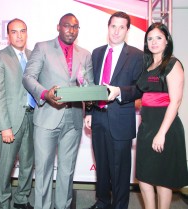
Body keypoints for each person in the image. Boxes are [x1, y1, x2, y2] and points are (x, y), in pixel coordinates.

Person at [22, 13, 94, 209]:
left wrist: (90, 95)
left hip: (74, 119)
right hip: (47, 117)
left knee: (67, 170)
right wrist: (45, 93)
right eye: (67, 26)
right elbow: (28, 77)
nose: (71, 30)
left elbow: (88, 84)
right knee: (43, 170)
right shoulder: (43, 47)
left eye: (75, 27)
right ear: (58, 27)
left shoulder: (85, 54)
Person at [85, 11, 143, 209]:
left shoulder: (137, 55)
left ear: (128, 30)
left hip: (120, 121)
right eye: (113, 26)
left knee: (119, 170)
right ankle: (102, 202)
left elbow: (140, 89)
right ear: (108, 27)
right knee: (101, 166)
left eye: (121, 27)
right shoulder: (97, 52)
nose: (116, 31)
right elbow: (91, 86)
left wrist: (119, 91)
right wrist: (89, 112)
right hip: (98, 119)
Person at [135, 22, 188, 209]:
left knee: (161, 178)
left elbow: (176, 101)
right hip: (147, 127)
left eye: (158, 38)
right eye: (150, 38)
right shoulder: (148, 65)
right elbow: (144, 95)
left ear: (167, 41)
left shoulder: (173, 64)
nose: (154, 42)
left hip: (165, 128)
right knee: (144, 176)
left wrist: (161, 133)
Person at [0, 18, 34, 209]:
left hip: (32, 118)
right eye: (14, 31)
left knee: (27, 164)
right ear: (8, 35)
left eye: (22, 31)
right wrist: (4, 126)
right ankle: (2, 203)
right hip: (9, 123)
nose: (19, 35)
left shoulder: (33, 56)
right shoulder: (0, 57)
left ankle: (22, 199)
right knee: (6, 167)